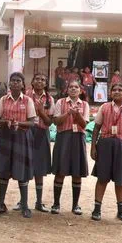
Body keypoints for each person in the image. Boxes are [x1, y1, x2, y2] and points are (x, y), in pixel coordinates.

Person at [90, 83, 122, 222]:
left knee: (121, 179)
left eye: (120, 90)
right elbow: (96, 128)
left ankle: (121, 210)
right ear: (110, 93)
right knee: (102, 178)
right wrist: (93, 147)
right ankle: (97, 209)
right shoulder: (104, 107)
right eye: (114, 90)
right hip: (105, 145)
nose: (117, 92)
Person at [0, 72, 36, 217]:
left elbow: (32, 122)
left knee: (21, 171)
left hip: (22, 137)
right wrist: (5, 122)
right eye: (13, 81)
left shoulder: (28, 101)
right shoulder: (4, 100)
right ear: (9, 84)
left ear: (23, 85)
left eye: (18, 81)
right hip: (5, 136)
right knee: (4, 169)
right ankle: (0, 203)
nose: (15, 83)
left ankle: (24, 205)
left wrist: (19, 123)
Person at [50, 81, 89, 215]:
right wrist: (68, 113)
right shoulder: (60, 102)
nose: (73, 89)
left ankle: (75, 205)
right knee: (60, 171)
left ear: (80, 90)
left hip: (78, 138)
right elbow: (56, 122)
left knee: (77, 172)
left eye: (76, 87)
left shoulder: (84, 105)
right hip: (63, 137)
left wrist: (77, 115)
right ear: (67, 90)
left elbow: (84, 125)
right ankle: (56, 204)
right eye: (71, 87)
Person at [26, 74, 53, 213]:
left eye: (43, 80)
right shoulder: (25, 96)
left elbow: (49, 122)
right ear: (32, 81)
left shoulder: (49, 99)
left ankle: (39, 201)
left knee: (40, 168)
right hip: (27, 132)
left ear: (46, 83)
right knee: (24, 165)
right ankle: (22, 201)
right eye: (37, 79)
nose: (40, 81)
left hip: (42, 133)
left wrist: (41, 112)